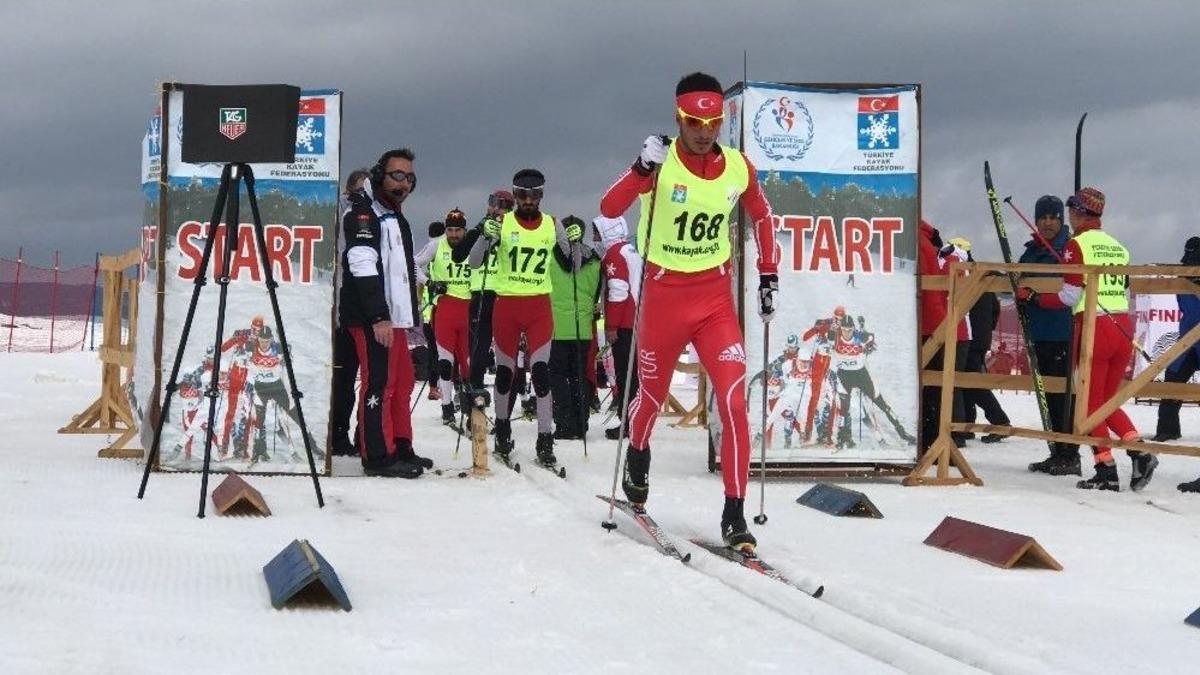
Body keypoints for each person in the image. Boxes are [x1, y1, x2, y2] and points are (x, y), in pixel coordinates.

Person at [599, 72, 779, 551]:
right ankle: (637, 455)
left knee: (735, 401)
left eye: (713, 122)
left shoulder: (739, 166)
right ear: (679, 118)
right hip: (663, 296)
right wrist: (640, 167)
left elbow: (762, 215)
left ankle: (734, 513)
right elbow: (609, 206)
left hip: (714, 298)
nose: (704, 132)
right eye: (694, 122)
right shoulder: (659, 162)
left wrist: (768, 273)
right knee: (651, 399)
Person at [1018, 187, 1153, 491]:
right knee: (1103, 402)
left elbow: (1070, 296)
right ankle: (1127, 456)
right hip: (1123, 327)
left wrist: (1035, 298)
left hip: (1095, 329)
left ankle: (1120, 461)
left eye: (1069, 211)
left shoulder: (1076, 245)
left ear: (1078, 213)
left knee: (1090, 406)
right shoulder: (1118, 246)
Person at [464, 168, 577, 469]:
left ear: (541, 195)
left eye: (534, 195)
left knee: (541, 373)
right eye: (523, 195)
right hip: (507, 306)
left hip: (539, 306)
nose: (528, 200)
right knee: (505, 373)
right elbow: (474, 263)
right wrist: (483, 236)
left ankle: (545, 438)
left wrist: (575, 244)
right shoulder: (502, 222)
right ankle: (502, 428)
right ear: (514, 196)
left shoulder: (553, 225)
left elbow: (572, 267)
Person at [339, 147, 429, 478]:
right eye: (397, 175)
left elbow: (402, 267)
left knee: (403, 382)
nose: (404, 183)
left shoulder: (394, 215)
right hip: (372, 317)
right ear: (380, 175)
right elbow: (361, 264)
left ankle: (401, 444)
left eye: (409, 177)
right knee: (381, 383)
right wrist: (378, 316)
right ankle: (378, 455)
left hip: (397, 316)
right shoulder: (364, 213)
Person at [1016, 195, 1081, 473]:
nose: (1047, 223)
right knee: (1047, 397)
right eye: (1042, 217)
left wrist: (1035, 294)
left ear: (1061, 219)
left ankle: (1069, 453)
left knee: (1062, 396)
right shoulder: (1031, 251)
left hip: (1062, 331)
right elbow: (1018, 280)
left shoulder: (1068, 249)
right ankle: (1057, 450)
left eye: (1053, 217)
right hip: (1038, 332)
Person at [453, 190, 514, 400]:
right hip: (482, 293)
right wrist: (480, 229)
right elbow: (458, 255)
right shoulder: (482, 227)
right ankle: (475, 387)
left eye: (503, 206)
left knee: (509, 348)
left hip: (506, 294)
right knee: (479, 344)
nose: (496, 209)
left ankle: (512, 392)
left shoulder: (514, 228)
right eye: (493, 204)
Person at [951, 238, 1012, 442]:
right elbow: (995, 309)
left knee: (971, 382)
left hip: (969, 338)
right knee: (966, 381)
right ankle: (966, 423)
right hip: (979, 338)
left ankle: (1000, 421)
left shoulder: (965, 277)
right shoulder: (983, 277)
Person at [549, 215, 602, 440]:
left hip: (556, 329)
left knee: (558, 378)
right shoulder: (595, 260)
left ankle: (564, 424)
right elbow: (597, 293)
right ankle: (581, 424)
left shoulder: (552, 256)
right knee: (580, 376)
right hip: (582, 329)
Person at [918, 220, 969, 451]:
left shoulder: (916, 239)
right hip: (939, 323)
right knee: (940, 387)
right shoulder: (926, 241)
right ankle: (938, 441)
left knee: (937, 387)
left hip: (932, 324)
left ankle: (937, 442)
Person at [331, 169, 371, 456]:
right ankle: (338, 435)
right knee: (343, 378)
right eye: (358, 191)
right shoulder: (340, 215)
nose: (362, 197)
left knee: (370, 379)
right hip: (341, 309)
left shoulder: (376, 216)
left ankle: (365, 436)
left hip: (368, 309)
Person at [424, 208, 473, 429]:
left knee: (468, 363)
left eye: (458, 231)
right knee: (446, 362)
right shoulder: (437, 244)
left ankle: (469, 403)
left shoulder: (473, 244)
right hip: (445, 308)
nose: (454, 235)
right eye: (450, 230)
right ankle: (446, 407)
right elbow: (413, 264)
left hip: (469, 309)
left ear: (465, 230)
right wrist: (429, 282)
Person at [595, 215, 642, 440]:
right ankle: (634, 421)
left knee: (626, 375)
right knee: (633, 375)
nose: (595, 236)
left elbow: (618, 291)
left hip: (624, 324)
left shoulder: (614, 254)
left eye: (597, 231)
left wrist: (611, 325)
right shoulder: (631, 251)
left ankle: (629, 424)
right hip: (637, 320)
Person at [1156, 236, 1200, 443]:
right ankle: (1167, 430)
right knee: (1171, 380)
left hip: (1191, 340)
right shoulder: (1182, 275)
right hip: (1187, 341)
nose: (1189, 262)